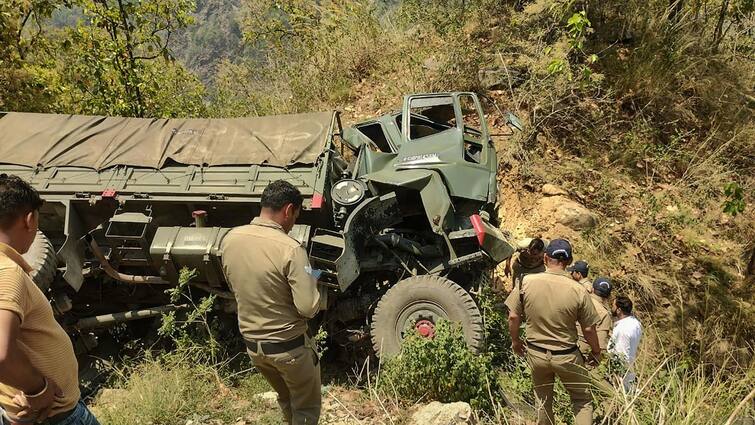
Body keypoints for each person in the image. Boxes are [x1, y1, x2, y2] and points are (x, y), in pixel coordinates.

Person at [0, 174, 100, 425]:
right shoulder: (8, 274)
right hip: (54, 416)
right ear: (30, 219)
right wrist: (38, 389)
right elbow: (1, 353)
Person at [221, 180, 322, 425]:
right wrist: (314, 277)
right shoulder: (291, 249)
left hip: (255, 347)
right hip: (290, 349)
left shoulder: (230, 239)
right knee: (306, 410)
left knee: (287, 400)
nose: (293, 222)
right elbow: (308, 307)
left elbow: (235, 283)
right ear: (289, 210)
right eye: (295, 215)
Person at [505, 239, 602, 425]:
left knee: (542, 400)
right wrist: (596, 352)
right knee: (581, 400)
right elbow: (589, 328)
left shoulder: (526, 282)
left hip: (536, 353)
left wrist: (516, 341)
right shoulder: (579, 290)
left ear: (545, 258)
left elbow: (513, 316)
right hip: (567, 356)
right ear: (569, 261)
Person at [608, 296, 642, 393]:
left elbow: (621, 355)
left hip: (622, 377)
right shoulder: (635, 323)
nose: (612, 308)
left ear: (619, 310)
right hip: (630, 371)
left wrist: (618, 377)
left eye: (613, 306)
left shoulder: (623, 329)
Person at [577, 277, 613, 364]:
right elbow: (601, 345)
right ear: (609, 295)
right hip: (582, 355)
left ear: (592, 289)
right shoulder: (604, 313)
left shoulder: (579, 300)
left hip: (562, 347)